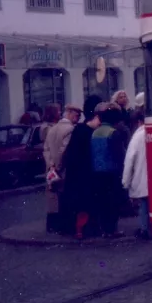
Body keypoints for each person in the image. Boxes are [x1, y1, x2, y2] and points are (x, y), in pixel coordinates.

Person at [62, 95, 103, 238]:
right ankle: (83, 229)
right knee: (85, 203)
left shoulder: (78, 129)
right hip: (86, 173)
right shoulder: (89, 132)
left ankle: (79, 229)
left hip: (76, 173)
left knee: (79, 203)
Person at [90, 103, 129, 237]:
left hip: (97, 171)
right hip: (112, 171)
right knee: (113, 201)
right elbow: (119, 153)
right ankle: (113, 229)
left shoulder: (95, 132)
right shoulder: (113, 132)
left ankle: (105, 229)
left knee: (102, 201)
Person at [43, 104, 82, 233]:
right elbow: (63, 151)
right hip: (63, 170)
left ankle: (51, 226)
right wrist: (58, 167)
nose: (78, 118)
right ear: (69, 113)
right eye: (77, 115)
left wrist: (51, 166)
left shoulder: (52, 129)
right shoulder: (70, 130)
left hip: (51, 171)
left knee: (52, 198)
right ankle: (62, 226)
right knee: (62, 197)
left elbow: (46, 150)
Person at [122, 108, 148, 238]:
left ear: (138, 122)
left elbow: (129, 160)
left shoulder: (137, 136)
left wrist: (125, 182)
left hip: (141, 179)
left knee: (144, 205)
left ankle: (145, 229)